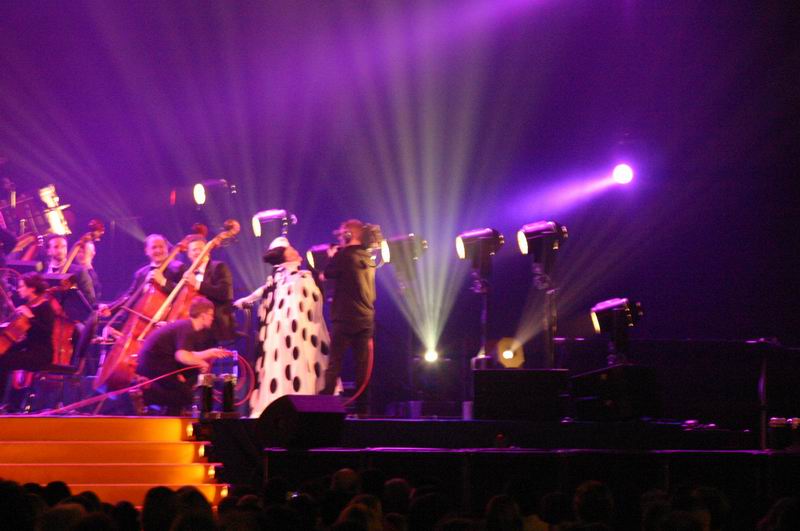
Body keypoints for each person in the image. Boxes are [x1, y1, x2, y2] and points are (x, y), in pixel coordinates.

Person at [234, 236, 331, 417]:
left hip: (300, 331)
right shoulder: (280, 278)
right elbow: (263, 291)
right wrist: (246, 300)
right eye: (290, 249)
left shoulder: (301, 277)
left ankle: (301, 404)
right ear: (285, 255)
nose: (295, 250)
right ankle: (281, 404)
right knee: (282, 367)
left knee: (300, 365)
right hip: (281, 332)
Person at [135, 296, 231, 415]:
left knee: (187, 382)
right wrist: (201, 363)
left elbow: (188, 354)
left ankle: (171, 416)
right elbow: (181, 356)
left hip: (157, 361)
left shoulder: (187, 327)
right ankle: (145, 397)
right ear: (203, 316)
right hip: (155, 363)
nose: (212, 318)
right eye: (210, 314)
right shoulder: (187, 329)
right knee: (186, 396)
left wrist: (211, 352)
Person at [320, 219, 377, 412]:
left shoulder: (343, 256)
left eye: (342, 232)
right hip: (366, 318)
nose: (340, 236)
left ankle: (324, 407)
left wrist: (331, 256)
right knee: (363, 368)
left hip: (345, 317)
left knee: (334, 363)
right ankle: (363, 410)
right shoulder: (368, 257)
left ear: (348, 234)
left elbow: (326, 274)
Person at [99, 234, 182, 316]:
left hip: (168, 318)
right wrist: (111, 308)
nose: (158, 250)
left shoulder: (178, 268)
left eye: (161, 247)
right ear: (146, 251)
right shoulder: (141, 273)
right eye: (154, 247)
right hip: (142, 317)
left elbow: (183, 293)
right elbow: (130, 296)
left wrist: (163, 281)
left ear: (167, 248)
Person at [177, 235, 235, 346]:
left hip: (215, 325)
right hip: (194, 327)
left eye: (201, 249)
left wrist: (197, 284)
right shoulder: (188, 274)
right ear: (189, 254)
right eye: (194, 250)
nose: (197, 252)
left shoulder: (218, 267)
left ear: (208, 251)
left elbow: (225, 293)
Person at [44, 234, 95, 306]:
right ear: (48, 251)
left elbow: (90, 299)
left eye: (63, 247)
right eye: (56, 247)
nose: (60, 250)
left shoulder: (79, 272)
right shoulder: (42, 271)